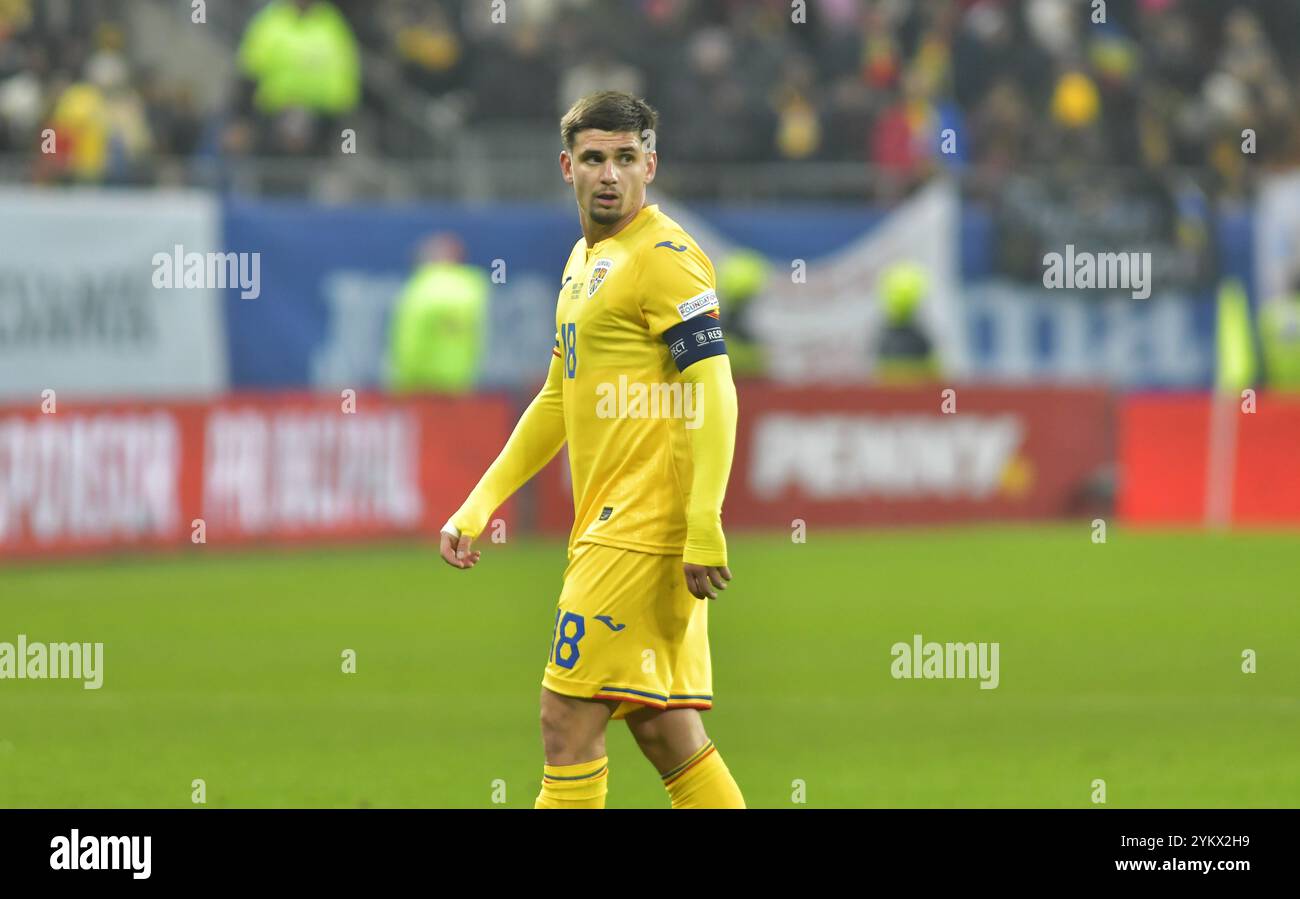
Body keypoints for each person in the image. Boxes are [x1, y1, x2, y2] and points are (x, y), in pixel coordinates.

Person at [439, 91, 744, 809]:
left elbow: (717, 387)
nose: (611, 174)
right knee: (664, 727)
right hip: (613, 524)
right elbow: (557, 398)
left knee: (565, 722)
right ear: (566, 166)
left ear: (652, 165)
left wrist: (704, 520)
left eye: (627, 159)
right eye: (596, 159)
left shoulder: (666, 258)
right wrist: (479, 503)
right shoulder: (586, 260)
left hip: (642, 530)